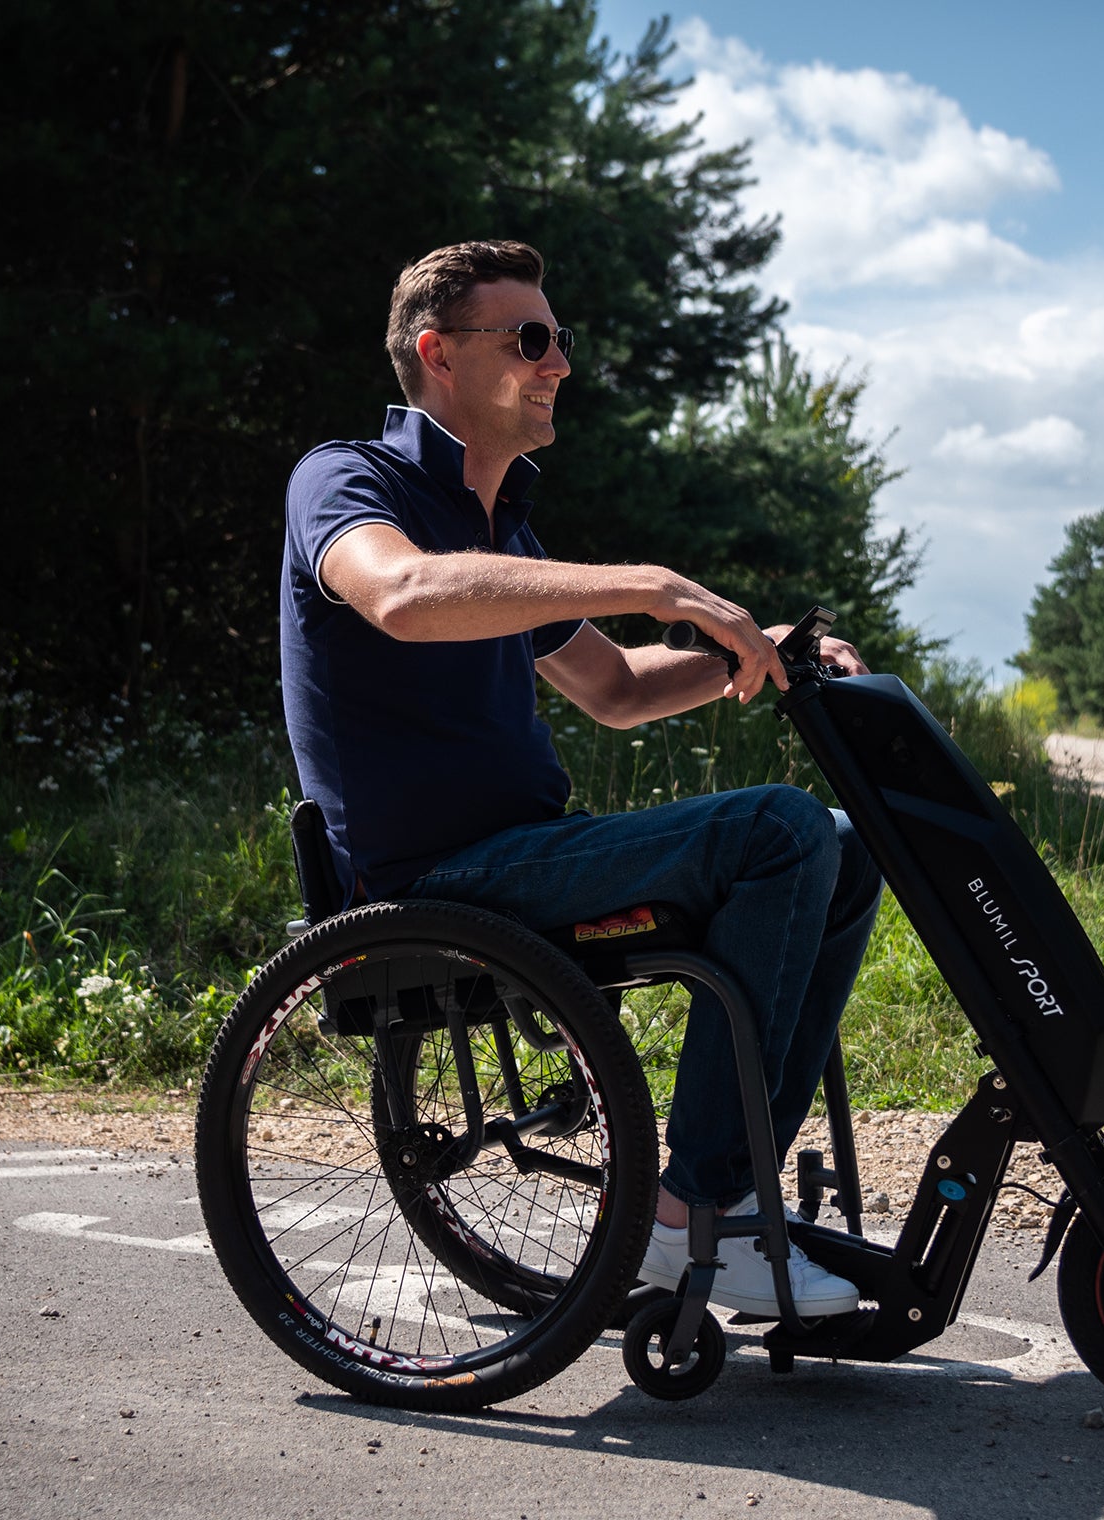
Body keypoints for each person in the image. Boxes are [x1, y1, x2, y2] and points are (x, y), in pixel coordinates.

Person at [278, 240, 882, 1317]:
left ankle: (721, 1198)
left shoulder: (503, 524)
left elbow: (615, 686)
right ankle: (691, 1210)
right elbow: (404, 594)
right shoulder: (346, 480)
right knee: (780, 828)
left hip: (523, 854)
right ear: (438, 354)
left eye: (560, 340)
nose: (559, 362)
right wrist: (654, 581)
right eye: (532, 339)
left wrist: (762, 648)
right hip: (432, 879)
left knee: (837, 843)